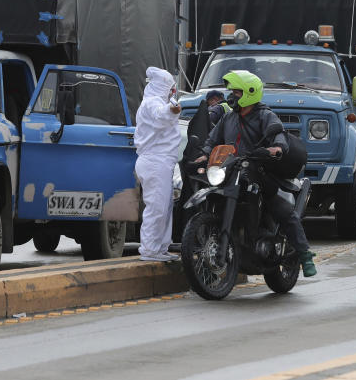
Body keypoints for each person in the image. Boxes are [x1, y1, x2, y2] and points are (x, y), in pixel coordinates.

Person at [195, 70, 317, 277]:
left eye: (237, 92)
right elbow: (212, 140)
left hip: (258, 171)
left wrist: (276, 147)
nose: (232, 96)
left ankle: (305, 255)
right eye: (232, 92)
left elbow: (278, 133)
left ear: (250, 93)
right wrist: (204, 154)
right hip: (231, 169)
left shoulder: (264, 115)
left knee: (284, 212)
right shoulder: (228, 118)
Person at [134, 67, 182, 262]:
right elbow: (161, 114)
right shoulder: (152, 104)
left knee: (164, 207)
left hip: (160, 162)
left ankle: (160, 248)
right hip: (155, 161)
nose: (173, 92)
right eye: (171, 88)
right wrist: (171, 109)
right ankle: (149, 250)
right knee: (157, 208)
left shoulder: (153, 102)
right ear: (164, 88)